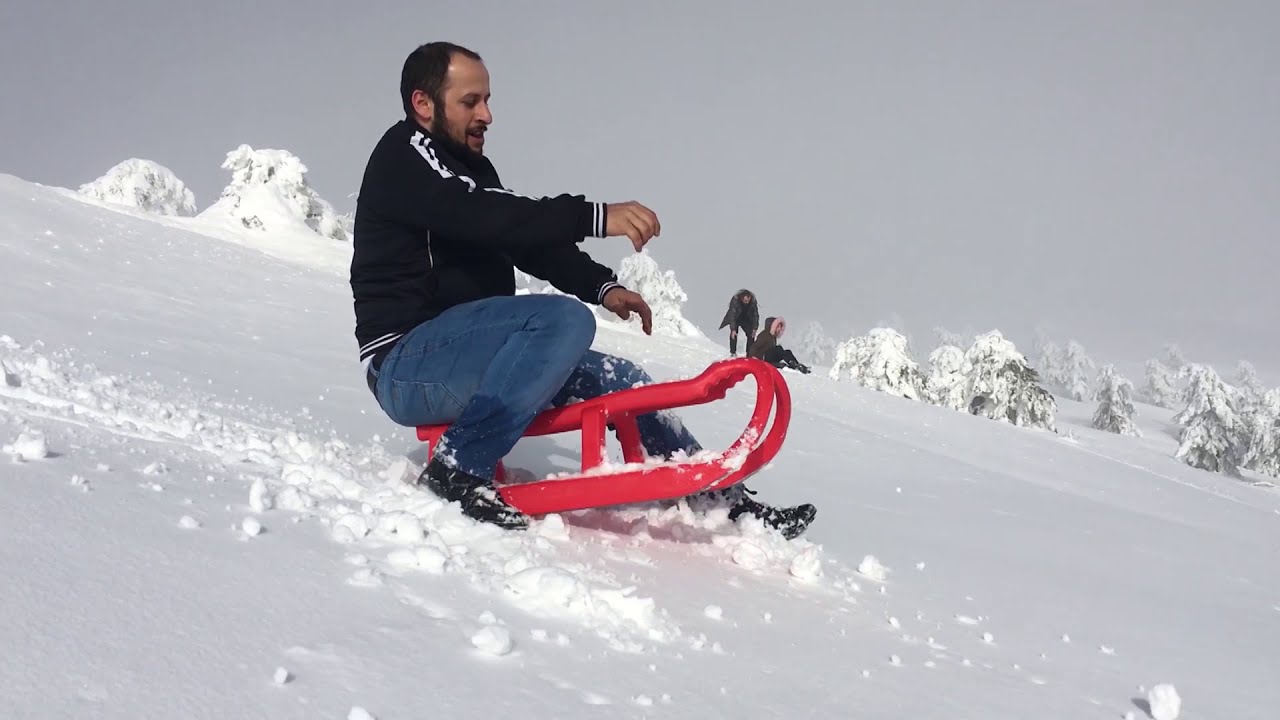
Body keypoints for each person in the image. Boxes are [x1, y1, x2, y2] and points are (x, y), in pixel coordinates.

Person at [349, 42, 816, 539]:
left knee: (622, 378)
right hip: (406, 363)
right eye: (470, 102)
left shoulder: (469, 170)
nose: (487, 114)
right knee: (560, 321)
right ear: (424, 104)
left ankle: (718, 497)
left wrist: (603, 285)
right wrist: (596, 217)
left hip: (470, 355)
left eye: (487, 100)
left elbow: (521, 239)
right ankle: (458, 468)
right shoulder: (404, 159)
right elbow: (485, 216)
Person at [718, 289, 759, 356]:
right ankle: (733, 353)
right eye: (745, 301)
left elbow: (755, 315)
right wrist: (733, 329)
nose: (747, 302)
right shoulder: (735, 301)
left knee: (751, 335)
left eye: (748, 301)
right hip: (736, 319)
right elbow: (732, 315)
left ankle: (749, 354)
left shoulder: (753, 302)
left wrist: (755, 328)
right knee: (733, 335)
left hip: (746, 319)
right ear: (741, 298)